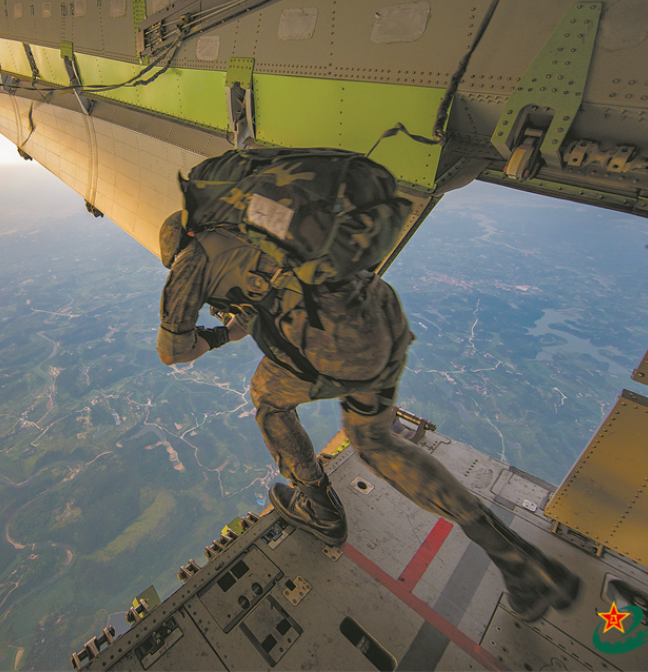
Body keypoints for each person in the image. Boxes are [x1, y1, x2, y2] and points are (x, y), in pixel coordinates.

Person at [155, 211, 580, 621]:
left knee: (267, 397)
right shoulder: (250, 230)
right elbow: (255, 311)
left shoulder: (191, 260)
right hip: (378, 310)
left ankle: (321, 509)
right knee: (375, 442)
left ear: (182, 247)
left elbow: (173, 352)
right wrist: (227, 331)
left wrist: (207, 336)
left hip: (336, 340)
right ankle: (519, 562)